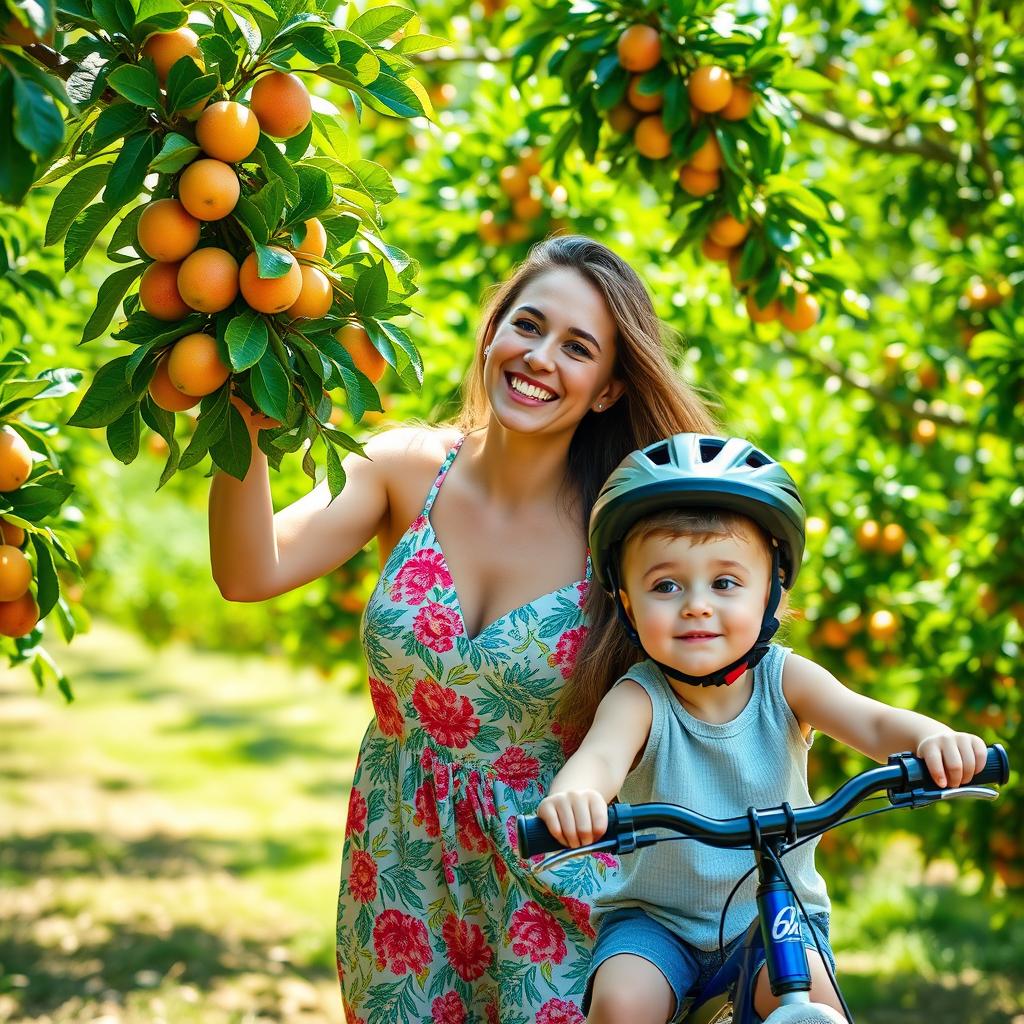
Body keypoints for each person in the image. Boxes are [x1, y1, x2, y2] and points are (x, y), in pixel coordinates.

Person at [208, 236, 718, 1022]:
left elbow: (720, 645)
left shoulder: (625, 530)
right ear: (492, 332)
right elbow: (250, 573)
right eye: (528, 324)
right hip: (399, 868)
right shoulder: (402, 467)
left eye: (576, 347)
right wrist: (240, 414)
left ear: (611, 388)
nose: (539, 356)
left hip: (560, 877)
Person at [537, 432, 989, 1024]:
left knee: (810, 1006)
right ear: (625, 600)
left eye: (725, 582)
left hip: (776, 912)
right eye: (665, 585)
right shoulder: (639, 698)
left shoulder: (787, 681)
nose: (696, 604)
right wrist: (578, 797)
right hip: (656, 921)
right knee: (623, 1004)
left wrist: (932, 738)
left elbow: (873, 722)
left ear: (772, 590)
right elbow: (599, 759)